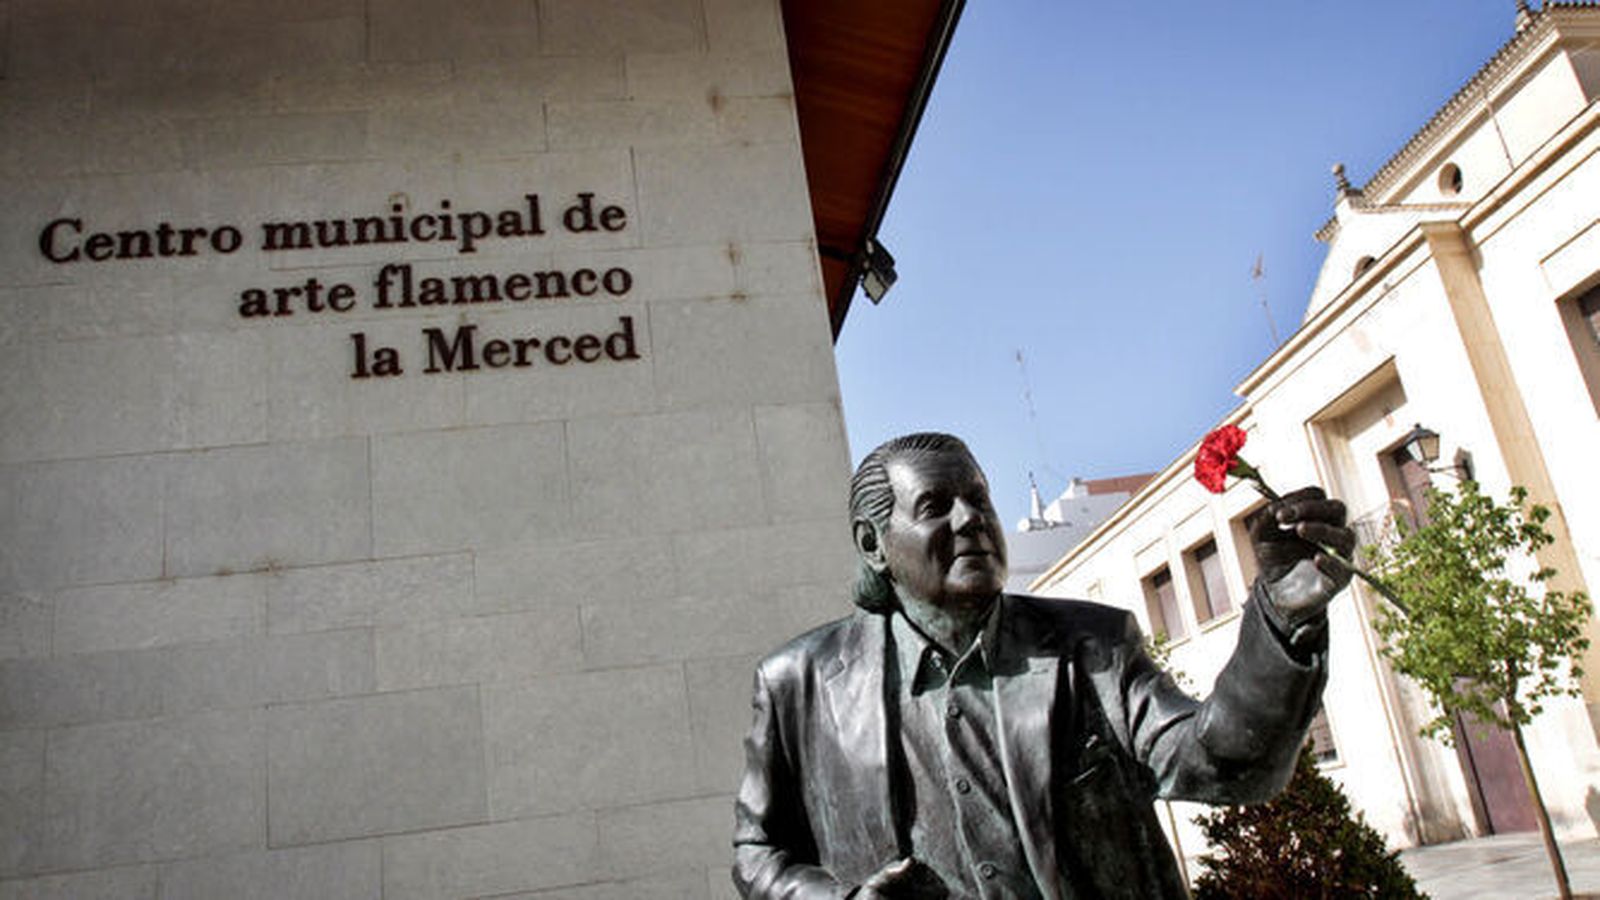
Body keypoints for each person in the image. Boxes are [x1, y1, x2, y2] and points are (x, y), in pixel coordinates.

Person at [732, 432, 1353, 899]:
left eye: (979, 499)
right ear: (874, 545)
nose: (971, 518)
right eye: (935, 507)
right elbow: (758, 853)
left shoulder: (1092, 647)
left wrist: (1280, 619)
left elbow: (1224, 763)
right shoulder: (800, 684)